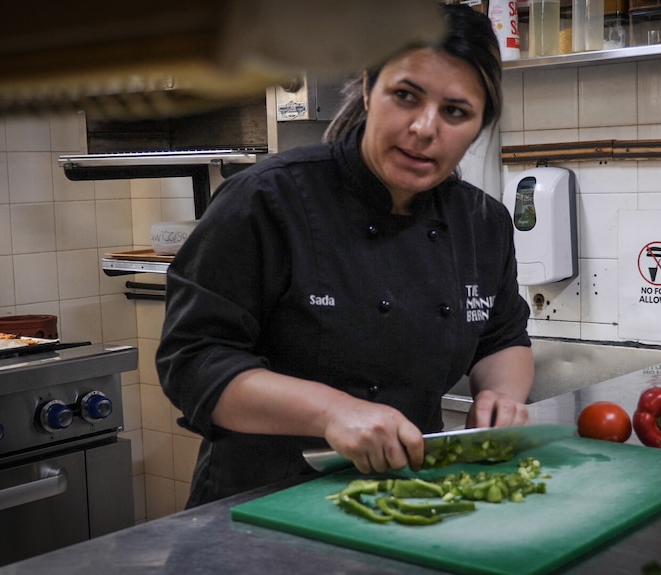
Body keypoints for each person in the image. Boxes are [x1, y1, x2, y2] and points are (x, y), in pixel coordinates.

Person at [155, 3, 534, 508]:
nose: (425, 128)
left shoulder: (482, 223)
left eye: (456, 112)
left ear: (479, 124)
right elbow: (193, 361)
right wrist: (332, 412)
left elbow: (502, 337)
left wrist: (503, 397)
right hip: (263, 502)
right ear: (368, 85)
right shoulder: (267, 199)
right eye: (405, 95)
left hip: (409, 497)